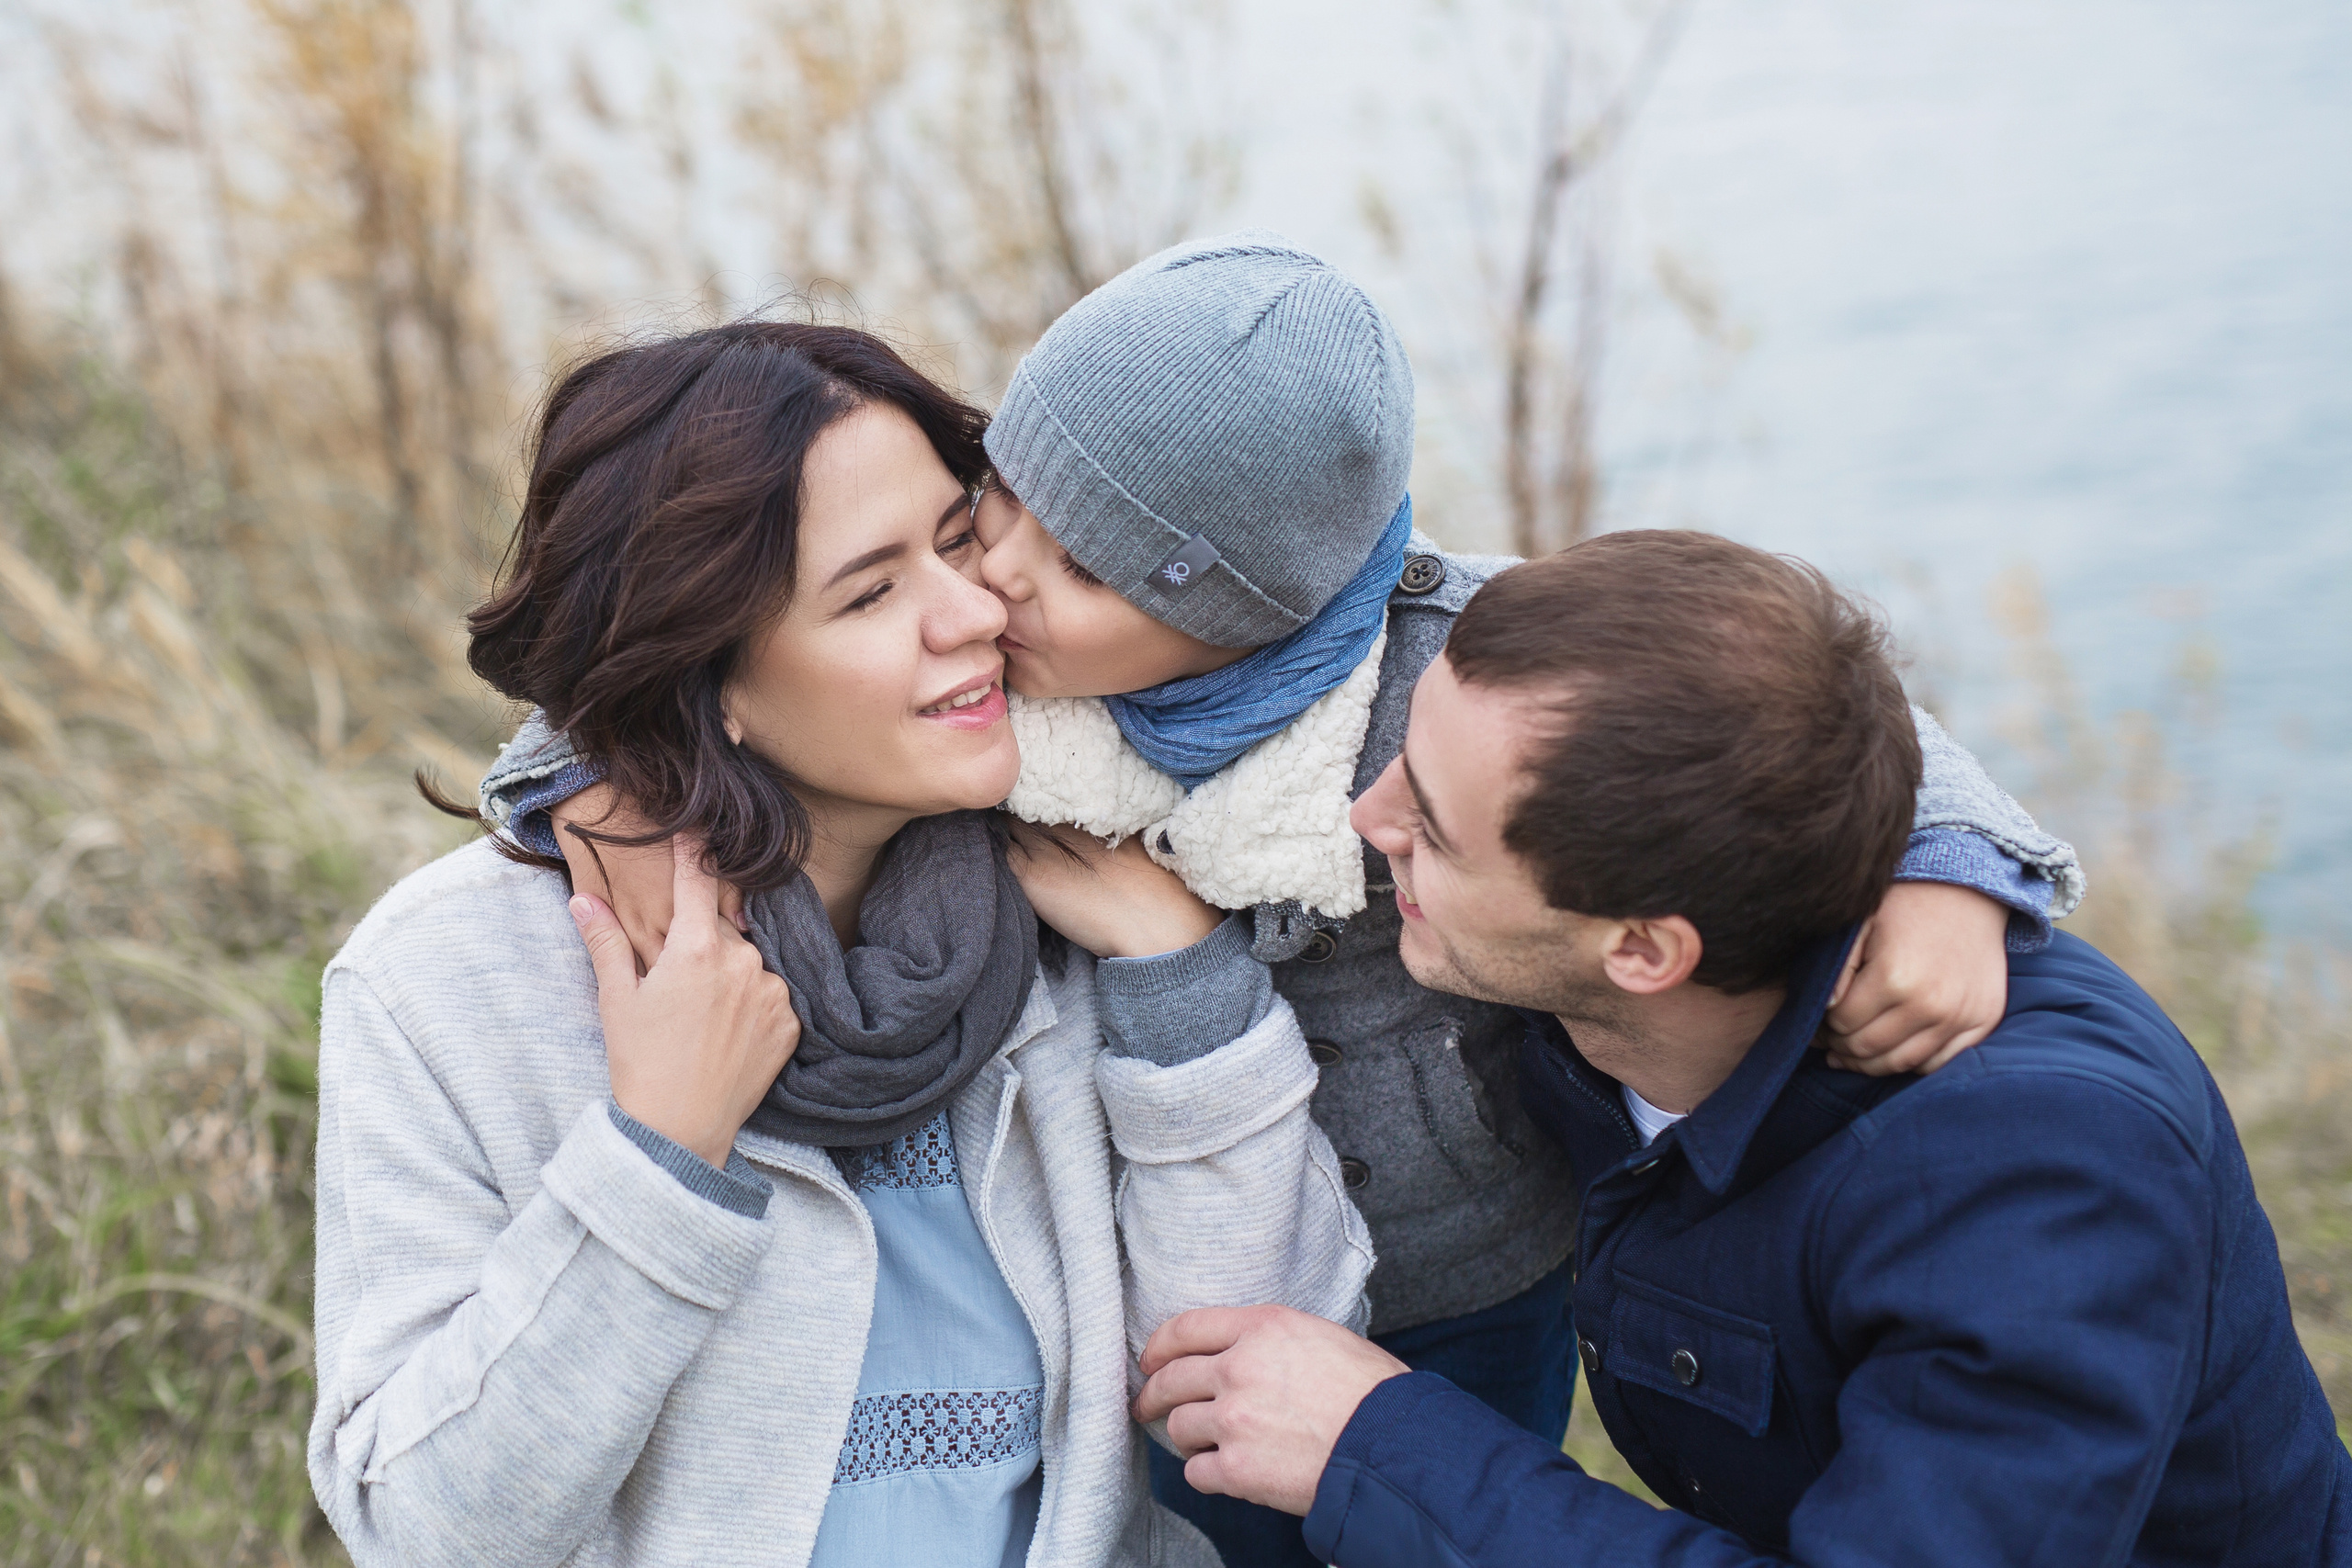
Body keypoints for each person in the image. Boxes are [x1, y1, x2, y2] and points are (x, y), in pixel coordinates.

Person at [481, 234, 2087, 1568]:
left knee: (1422, 1514)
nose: (999, 582)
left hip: (1467, 1271)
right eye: (991, 502)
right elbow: (689, 642)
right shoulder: (998, 667)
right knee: (1193, 1509)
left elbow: (1792, 717)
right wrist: (588, 798)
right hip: (1168, 1225)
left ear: (1235, 614)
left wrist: (1952, 873)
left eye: (1087, 572)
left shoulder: (1444, 660)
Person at [307, 321, 1374, 1568]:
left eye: (958, 535)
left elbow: (1259, 1394)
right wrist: (658, 1159)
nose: (976, 610)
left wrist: (1184, 987)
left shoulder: (1099, 894)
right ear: (714, 682)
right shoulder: (446, 984)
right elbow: (428, 1531)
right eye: (871, 592)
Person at [1132, 530, 2352, 1568]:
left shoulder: (2036, 1181)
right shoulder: (1643, 952)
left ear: (1645, 953)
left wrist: (1379, 1445)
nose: (1365, 818)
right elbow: (1788, 693)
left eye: (1435, 834)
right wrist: (1951, 853)